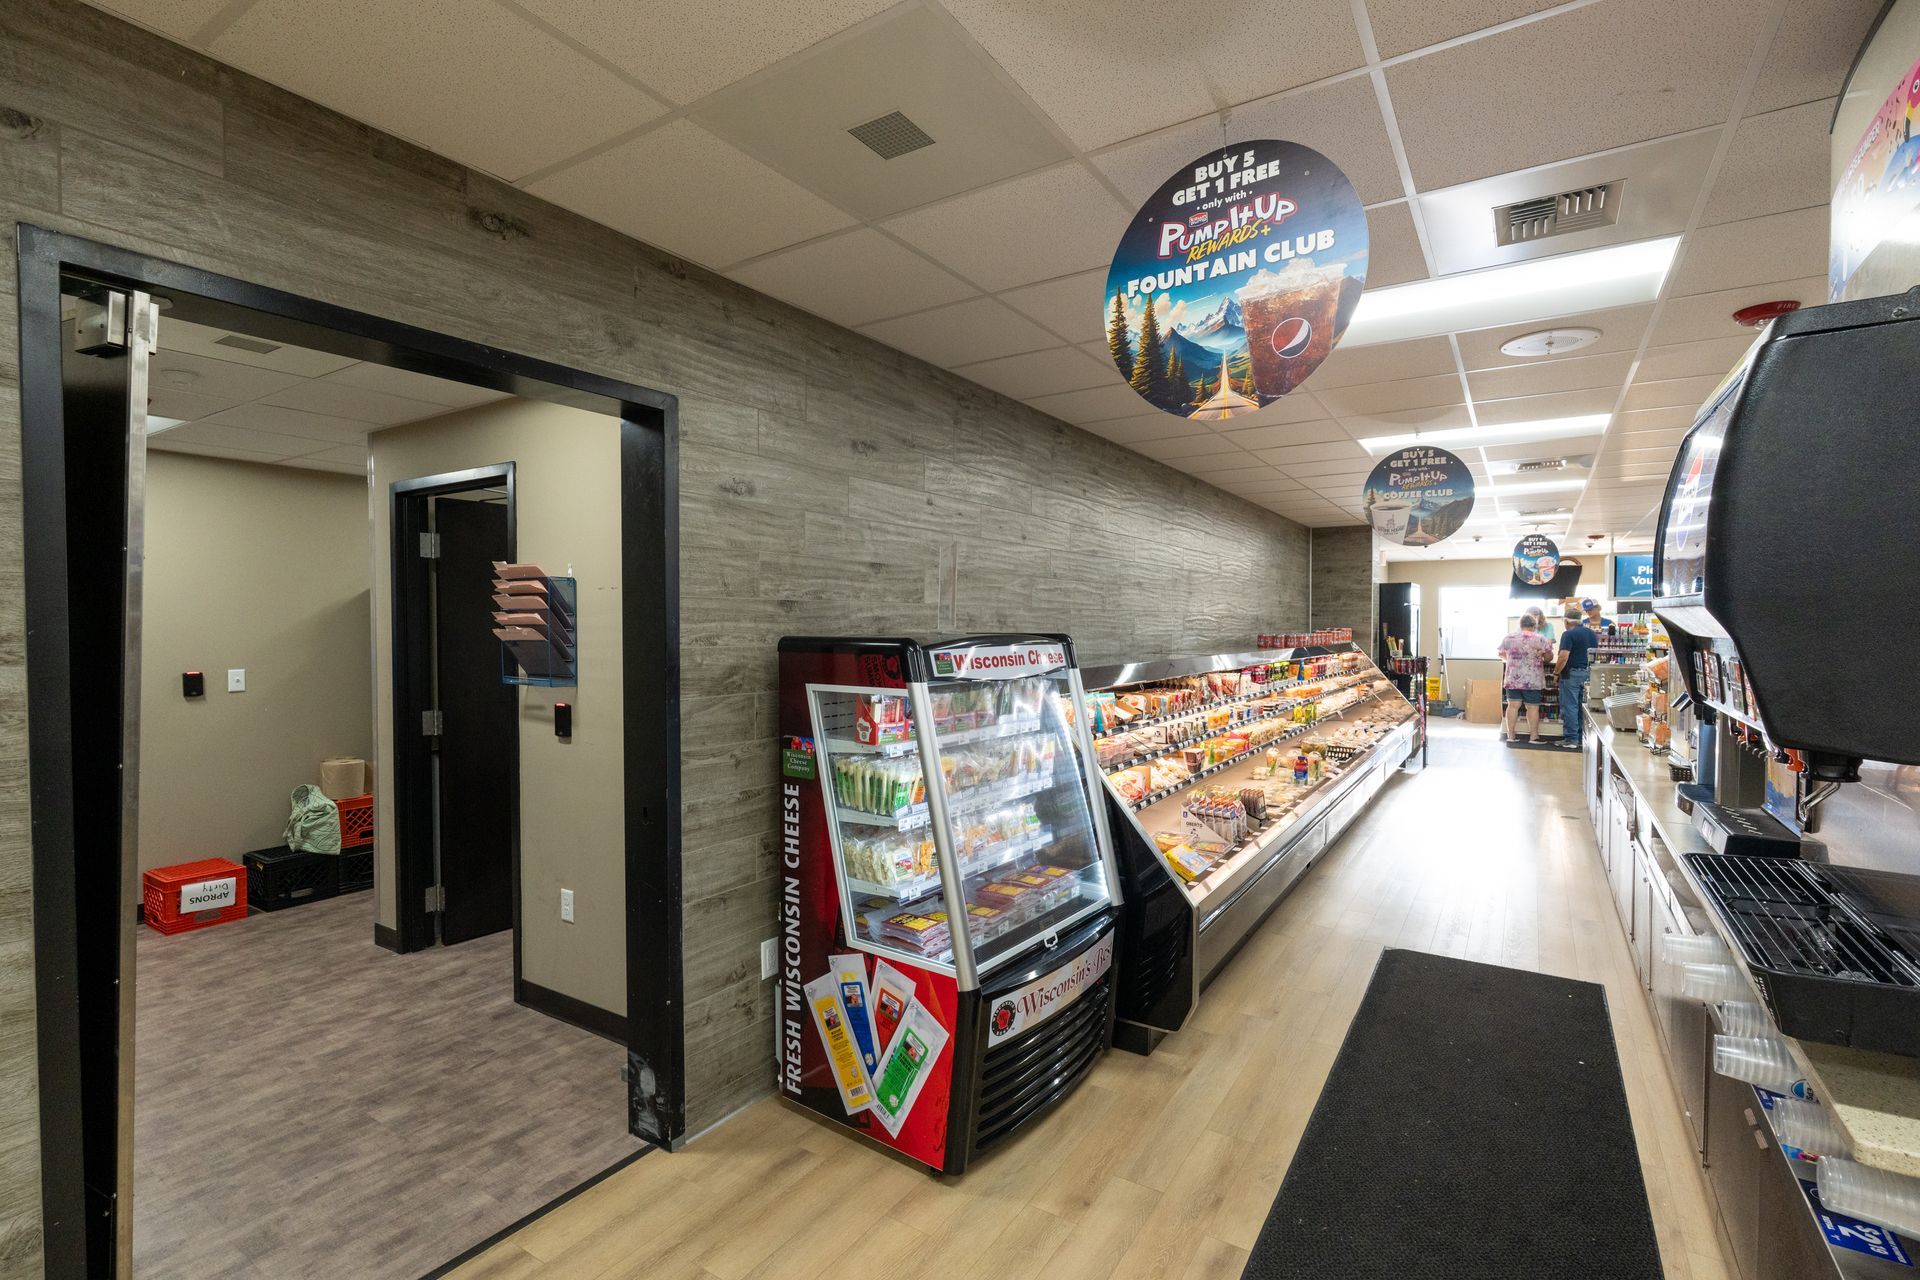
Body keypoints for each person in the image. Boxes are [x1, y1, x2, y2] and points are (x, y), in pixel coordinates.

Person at [1496, 614, 1555, 743]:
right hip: (1532, 680)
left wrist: (1512, 660)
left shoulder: (1509, 637)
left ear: (1520, 625)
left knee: (1512, 706)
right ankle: (1533, 737)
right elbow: (1549, 658)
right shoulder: (1540, 638)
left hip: (1513, 678)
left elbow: (1500, 653)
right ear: (1534, 626)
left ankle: (1510, 736)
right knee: (1532, 707)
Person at [1555, 604, 1598, 748]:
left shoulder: (1568, 634)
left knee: (1570, 706)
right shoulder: (1591, 633)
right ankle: (1581, 738)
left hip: (1572, 674)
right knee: (1582, 707)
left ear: (1566, 621)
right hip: (1588, 674)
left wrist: (1556, 673)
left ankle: (1571, 739)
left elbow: (1563, 657)